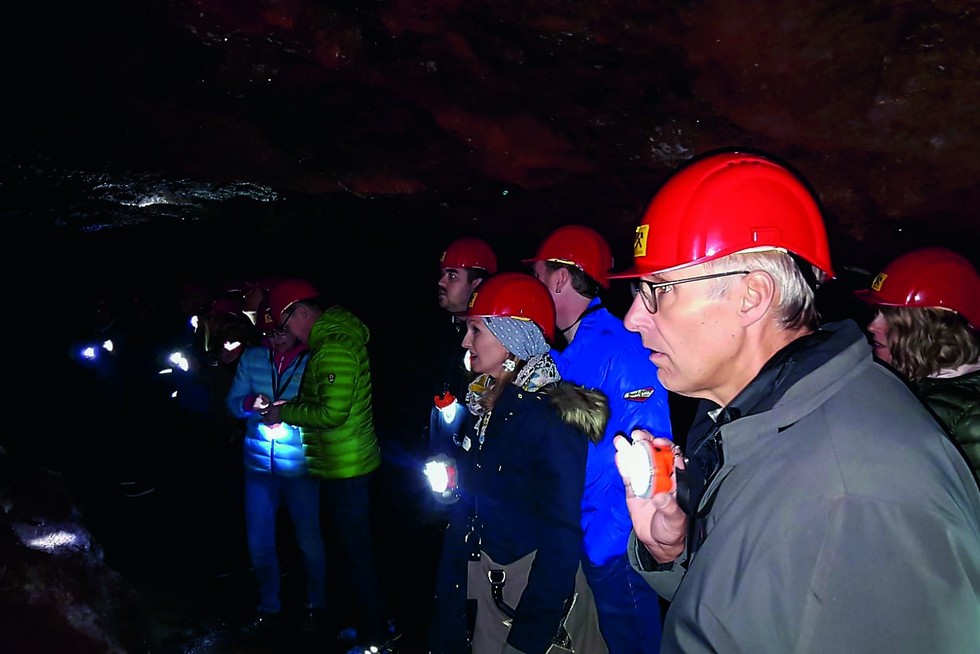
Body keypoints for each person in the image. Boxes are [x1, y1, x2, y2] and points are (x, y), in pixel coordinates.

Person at [606, 149, 980, 653]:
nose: (633, 318)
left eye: (658, 289)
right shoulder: (756, 421)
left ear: (752, 296)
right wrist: (675, 551)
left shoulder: (853, 496)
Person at [426, 272, 609, 654]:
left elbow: (561, 537)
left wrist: (529, 638)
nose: (465, 341)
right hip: (480, 582)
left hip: (518, 597)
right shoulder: (485, 402)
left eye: (477, 330)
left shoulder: (550, 419)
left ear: (512, 337)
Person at [525, 225, 672, 654]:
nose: (533, 288)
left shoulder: (624, 347)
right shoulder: (562, 353)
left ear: (559, 278)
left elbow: (657, 444)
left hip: (615, 541)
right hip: (576, 533)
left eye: (537, 276)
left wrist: (612, 541)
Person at [262, 278, 393, 649]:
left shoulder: (334, 345)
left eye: (286, 324)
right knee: (354, 552)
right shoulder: (330, 341)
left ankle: (376, 637)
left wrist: (285, 412)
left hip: (348, 467)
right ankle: (371, 624)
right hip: (343, 463)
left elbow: (332, 413)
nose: (288, 333)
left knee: (358, 555)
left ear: (302, 313)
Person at [226, 301, 328, 636]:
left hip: (300, 467)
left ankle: (316, 606)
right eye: (270, 332)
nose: (276, 338)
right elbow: (233, 401)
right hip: (258, 466)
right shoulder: (253, 358)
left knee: (309, 540)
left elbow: (322, 409)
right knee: (258, 540)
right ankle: (268, 607)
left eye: (282, 331)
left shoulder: (312, 360)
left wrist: (289, 412)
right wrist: (248, 403)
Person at [854, 246, 980, 479]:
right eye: (876, 313)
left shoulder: (972, 417)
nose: (872, 326)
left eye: (890, 318)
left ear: (932, 329)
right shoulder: (902, 382)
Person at [428, 236, 498, 458]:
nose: (441, 282)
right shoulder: (437, 331)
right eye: (442, 274)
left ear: (477, 285)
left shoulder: (496, 343)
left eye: (452, 276)